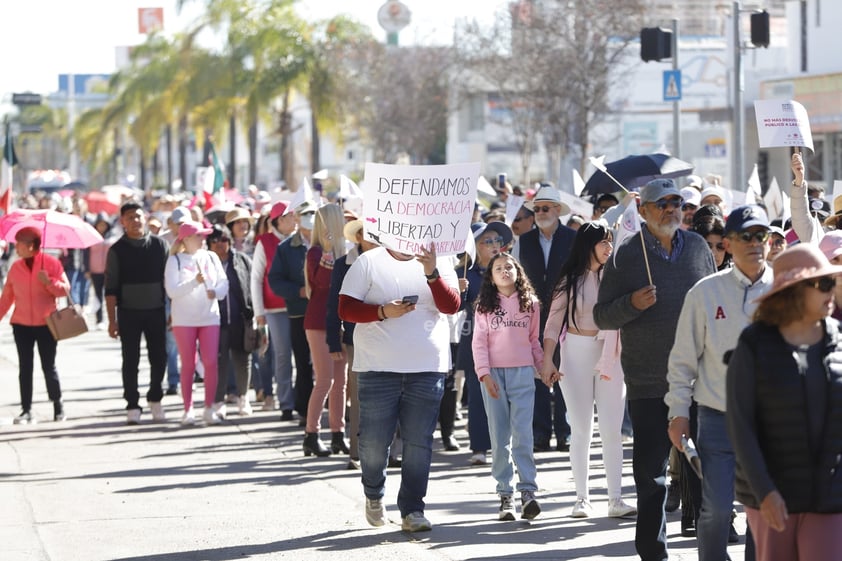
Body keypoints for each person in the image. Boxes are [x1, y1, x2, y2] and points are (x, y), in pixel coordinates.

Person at [594, 178, 716, 561]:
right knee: (652, 476)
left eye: (676, 201)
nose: (671, 208)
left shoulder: (697, 247)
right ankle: (652, 552)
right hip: (648, 381)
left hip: (700, 378)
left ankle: (711, 547)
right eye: (661, 202)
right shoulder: (625, 256)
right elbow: (602, 316)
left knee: (708, 470)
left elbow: (715, 300)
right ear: (643, 210)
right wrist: (631, 303)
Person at [665, 204, 773, 561]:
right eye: (747, 236)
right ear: (727, 243)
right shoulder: (704, 293)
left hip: (770, 421)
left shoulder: (786, 290)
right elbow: (682, 360)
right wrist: (678, 413)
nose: (756, 243)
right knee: (715, 510)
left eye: (762, 236)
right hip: (716, 416)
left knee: (762, 511)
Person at [726, 244, 842, 561]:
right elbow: (741, 426)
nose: (832, 291)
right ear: (792, 290)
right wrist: (764, 492)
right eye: (823, 283)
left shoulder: (840, 339)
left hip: (829, 498)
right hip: (771, 498)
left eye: (832, 282)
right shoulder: (754, 345)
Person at [338, 241, 460, 533]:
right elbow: (345, 308)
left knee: (419, 443)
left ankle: (413, 509)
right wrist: (381, 312)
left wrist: (432, 273)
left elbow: (451, 305)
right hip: (377, 367)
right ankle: (373, 493)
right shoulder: (369, 261)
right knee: (373, 444)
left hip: (427, 366)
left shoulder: (439, 260)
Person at [541, 222, 637, 519]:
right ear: (588, 245)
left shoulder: (617, 276)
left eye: (611, 242)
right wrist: (547, 359)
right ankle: (581, 498)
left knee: (612, 430)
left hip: (613, 353)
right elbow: (554, 322)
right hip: (576, 352)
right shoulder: (568, 280)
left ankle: (616, 499)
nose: (609, 248)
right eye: (603, 242)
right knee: (581, 429)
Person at [472, 253, 543, 521]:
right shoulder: (484, 306)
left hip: (523, 373)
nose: (504, 271)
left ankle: (528, 491)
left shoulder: (531, 304)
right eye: (498, 268)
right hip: (494, 377)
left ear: (518, 271)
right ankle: (505, 494)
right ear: (490, 277)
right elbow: (478, 343)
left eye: (509, 267)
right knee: (500, 437)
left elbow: (534, 340)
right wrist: (484, 374)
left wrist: (543, 367)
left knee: (523, 434)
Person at [513, 185, 576, 453]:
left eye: (545, 208)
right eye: (536, 209)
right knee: (536, 373)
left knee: (564, 373)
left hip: (567, 317)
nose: (539, 213)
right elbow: (515, 277)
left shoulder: (574, 239)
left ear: (558, 211)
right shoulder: (524, 241)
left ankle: (565, 432)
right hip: (532, 316)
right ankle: (540, 433)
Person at [105, 202, 170, 425]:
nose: (135, 220)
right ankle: (132, 404)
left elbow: (169, 282)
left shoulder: (160, 246)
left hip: (157, 310)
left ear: (145, 218)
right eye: (130, 217)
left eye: (138, 216)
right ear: (122, 222)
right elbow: (110, 288)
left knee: (159, 357)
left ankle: (155, 398)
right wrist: (112, 321)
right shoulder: (116, 250)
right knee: (130, 360)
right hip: (128, 312)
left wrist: (172, 311)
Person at [455, 221, 513, 465]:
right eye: (486, 241)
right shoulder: (464, 273)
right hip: (476, 340)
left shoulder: (509, 268)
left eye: (497, 241)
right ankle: (479, 447)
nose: (493, 245)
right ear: (474, 247)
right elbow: (454, 306)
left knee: (505, 394)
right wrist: (459, 291)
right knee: (479, 395)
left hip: (507, 340)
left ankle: (504, 445)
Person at [0, 227, 71, 424]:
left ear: (30, 245)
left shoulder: (51, 263)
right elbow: (7, 297)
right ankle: (26, 409)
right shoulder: (16, 267)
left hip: (46, 323)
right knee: (25, 367)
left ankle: (58, 405)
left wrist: (48, 282)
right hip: (21, 324)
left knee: (48, 366)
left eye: (19, 244)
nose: (16, 248)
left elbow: (65, 291)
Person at [326, 219, 379, 469]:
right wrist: (332, 338)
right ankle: (356, 454)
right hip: (355, 338)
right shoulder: (343, 264)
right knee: (358, 396)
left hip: (388, 337)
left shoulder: (391, 260)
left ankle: (388, 452)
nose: (374, 239)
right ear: (358, 237)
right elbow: (334, 304)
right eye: (369, 234)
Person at [165, 220, 228, 426]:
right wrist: (194, 282)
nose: (203, 239)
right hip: (184, 319)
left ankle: (209, 407)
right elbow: (172, 291)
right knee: (189, 364)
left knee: (211, 362)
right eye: (198, 236)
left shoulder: (210, 257)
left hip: (209, 316)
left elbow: (223, 282)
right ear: (187, 239)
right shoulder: (175, 260)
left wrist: (216, 292)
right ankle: (188, 409)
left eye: (203, 235)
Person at [302, 204, 348, 457]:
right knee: (325, 380)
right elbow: (320, 284)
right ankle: (311, 433)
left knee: (340, 382)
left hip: (338, 321)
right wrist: (328, 254)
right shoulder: (315, 252)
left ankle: (337, 435)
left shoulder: (344, 251)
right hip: (318, 321)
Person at [268, 201, 316, 424]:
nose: (309, 218)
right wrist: (298, 291)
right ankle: (306, 410)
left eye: (312, 214)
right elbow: (275, 280)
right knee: (303, 362)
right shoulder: (286, 248)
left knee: (330, 363)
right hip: (300, 313)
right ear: (297, 217)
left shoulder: (327, 244)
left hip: (325, 313)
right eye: (305, 214)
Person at [251, 200, 296, 415]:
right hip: (274, 309)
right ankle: (286, 402)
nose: (294, 220)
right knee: (282, 354)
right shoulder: (264, 242)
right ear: (277, 220)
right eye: (289, 216)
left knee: (303, 355)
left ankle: (300, 399)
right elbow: (257, 278)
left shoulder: (301, 240)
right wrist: (259, 312)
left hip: (300, 306)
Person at [207, 224, 254, 418]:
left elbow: (252, 287)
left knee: (243, 360)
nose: (220, 244)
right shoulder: (205, 262)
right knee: (219, 361)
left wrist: (256, 314)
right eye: (215, 240)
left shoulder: (242, 260)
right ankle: (219, 400)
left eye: (224, 239)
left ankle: (243, 398)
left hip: (240, 318)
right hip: (214, 320)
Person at [87, 213, 113, 328]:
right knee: (98, 295)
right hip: (95, 270)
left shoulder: (112, 237)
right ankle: (99, 319)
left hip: (108, 271)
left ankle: (111, 317)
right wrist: (87, 269)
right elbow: (86, 255)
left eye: (104, 225)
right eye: (99, 225)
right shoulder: (91, 237)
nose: (102, 227)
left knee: (109, 295)